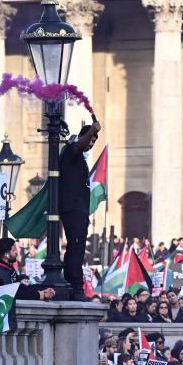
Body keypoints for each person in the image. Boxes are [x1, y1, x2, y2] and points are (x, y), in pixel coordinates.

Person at [59, 120, 102, 300]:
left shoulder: (79, 157)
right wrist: (92, 129)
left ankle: (74, 282)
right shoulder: (71, 151)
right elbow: (79, 146)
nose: (91, 144)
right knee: (75, 246)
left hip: (79, 209)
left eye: (94, 142)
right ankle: (75, 285)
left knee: (77, 247)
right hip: (73, 207)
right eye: (90, 140)